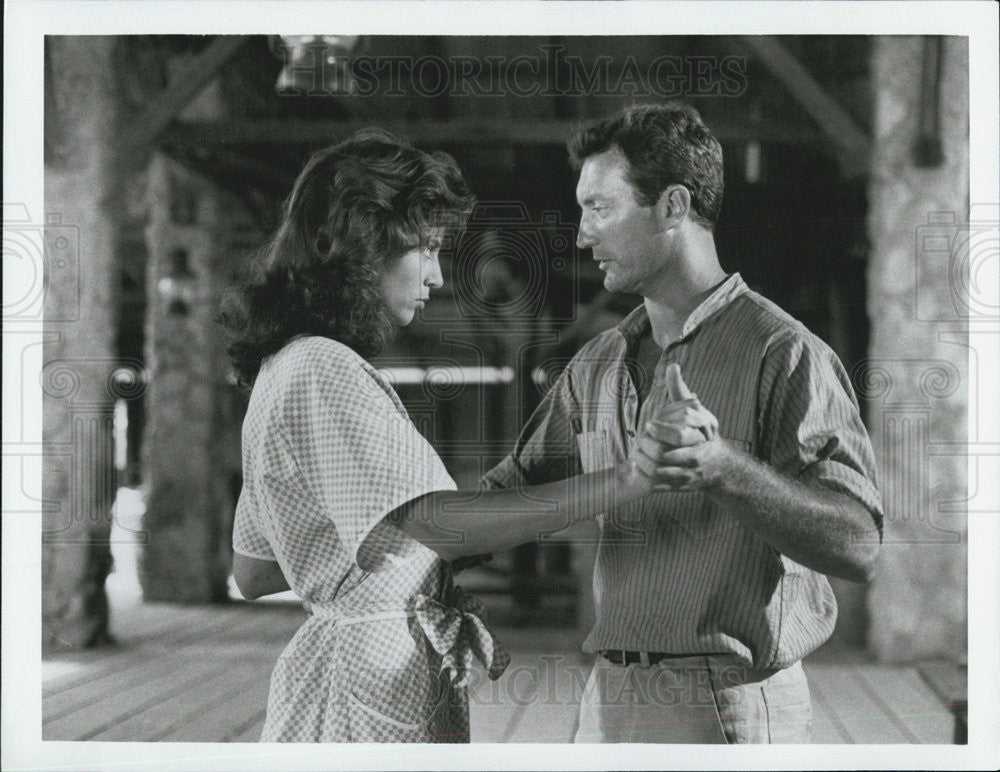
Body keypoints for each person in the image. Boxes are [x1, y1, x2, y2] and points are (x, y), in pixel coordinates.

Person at [218, 128, 677, 743]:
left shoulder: (281, 368)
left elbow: (254, 570)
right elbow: (440, 524)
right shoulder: (324, 367)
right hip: (372, 676)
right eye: (425, 249)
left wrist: (385, 570)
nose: (436, 276)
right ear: (357, 246)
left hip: (346, 662)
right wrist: (628, 478)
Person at [482, 103, 884, 743]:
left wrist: (724, 468)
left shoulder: (783, 352)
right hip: (607, 694)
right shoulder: (597, 362)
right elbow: (505, 499)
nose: (582, 234)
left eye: (600, 208)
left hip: (725, 702)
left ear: (672, 206)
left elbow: (858, 545)